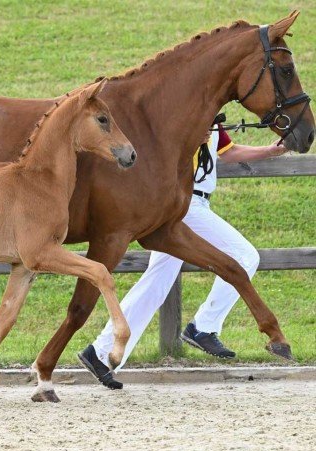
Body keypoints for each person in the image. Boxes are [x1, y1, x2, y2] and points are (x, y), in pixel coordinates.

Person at [78, 116, 289, 390]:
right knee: (245, 255)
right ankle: (204, 326)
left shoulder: (208, 115)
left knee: (155, 283)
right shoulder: (185, 112)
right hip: (187, 206)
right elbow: (163, 151)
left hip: (186, 204)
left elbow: (229, 151)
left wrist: (272, 150)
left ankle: (100, 352)